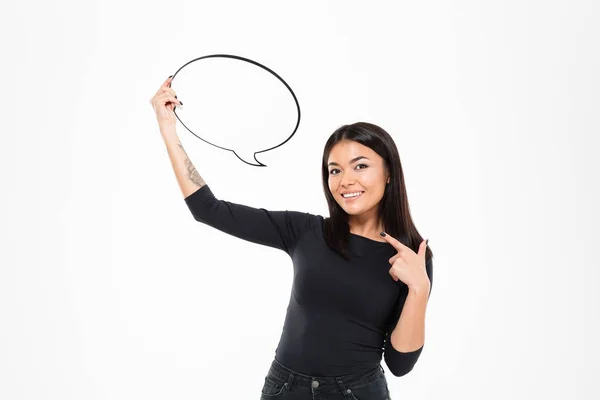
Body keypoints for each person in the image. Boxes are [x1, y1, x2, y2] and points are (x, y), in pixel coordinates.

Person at [150, 76, 434, 400]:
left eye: (361, 166)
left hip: (357, 393)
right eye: (335, 170)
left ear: (389, 173)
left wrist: (419, 289)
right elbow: (208, 210)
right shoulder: (307, 231)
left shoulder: (413, 256)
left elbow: (400, 364)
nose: (346, 180)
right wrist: (168, 129)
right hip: (285, 389)